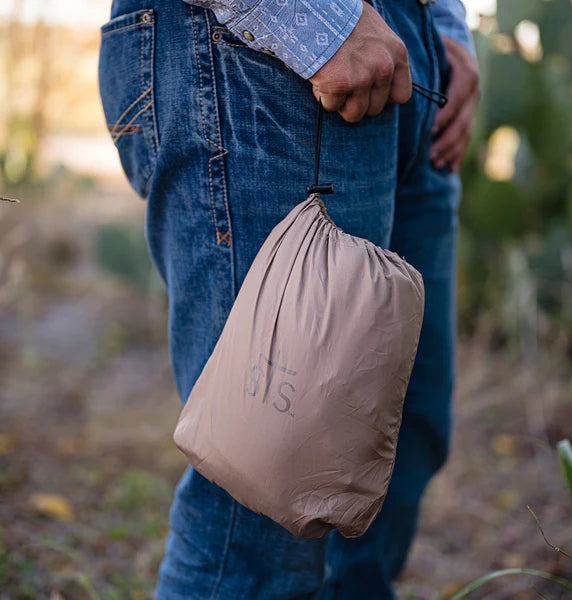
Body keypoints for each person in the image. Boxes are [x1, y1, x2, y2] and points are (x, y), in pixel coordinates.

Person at [97, 0, 479, 597]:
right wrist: (313, 17)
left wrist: (448, 31)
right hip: (272, 53)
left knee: (402, 446)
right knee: (263, 512)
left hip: (409, 54)